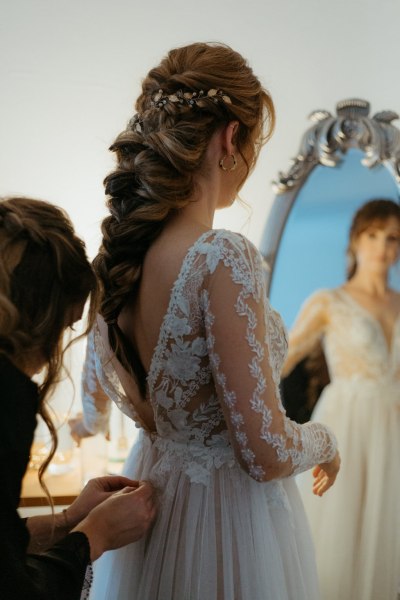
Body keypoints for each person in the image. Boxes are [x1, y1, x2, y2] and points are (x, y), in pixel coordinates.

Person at [72, 42, 340, 600]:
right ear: (231, 137)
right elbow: (264, 450)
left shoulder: (117, 259)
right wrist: (326, 439)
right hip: (228, 527)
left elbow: (95, 400)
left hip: (153, 513)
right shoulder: (221, 255)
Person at [0, 196, 157, 600]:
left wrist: (72, 518)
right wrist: (93, 537)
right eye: (65, 326)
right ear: (38, 317)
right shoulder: (6, 398)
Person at [282, 199, 400, 600]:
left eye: (392, 238)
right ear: (354, 241)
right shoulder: (328, 301)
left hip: (394, 428)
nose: (382, 247)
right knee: (341, 533)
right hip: (348, 422)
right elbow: (282, 360)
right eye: (372, 235)